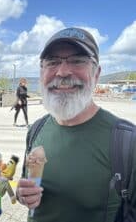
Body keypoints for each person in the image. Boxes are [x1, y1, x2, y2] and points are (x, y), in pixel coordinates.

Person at [16, 27, 136, 222]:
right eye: (53, 62)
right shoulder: (36, 130)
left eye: (77, 61)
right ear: (41, 73)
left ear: (96, 73)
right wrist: (23, 195)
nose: (62, 72)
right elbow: (29, 186)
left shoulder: (128, 142)